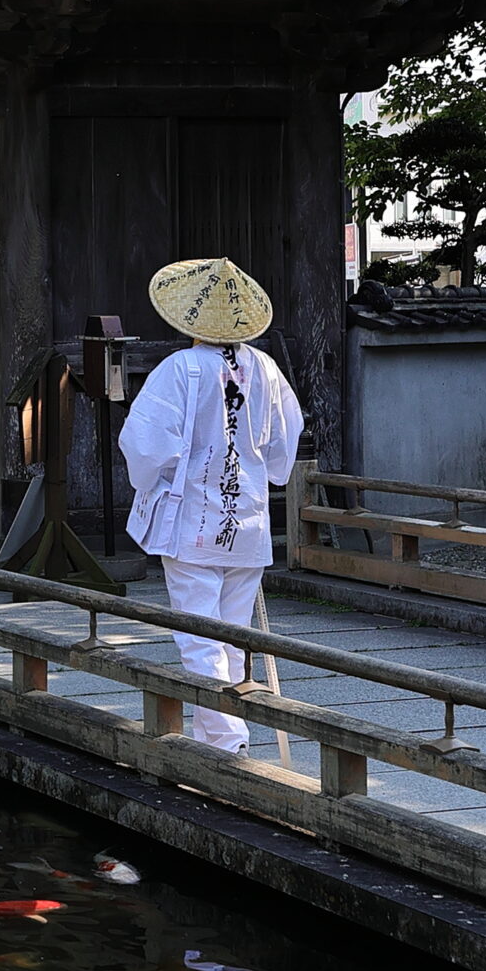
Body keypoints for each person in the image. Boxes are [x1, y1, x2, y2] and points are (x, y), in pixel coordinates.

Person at [117, 257, 304, 754]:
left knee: (199, 633)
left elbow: (146, 443)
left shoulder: (179, 368)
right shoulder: (264, 367)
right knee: (232, 633)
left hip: (192, 519)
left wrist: (151, 485)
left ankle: (224, 740)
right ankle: (224, 734)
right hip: (247, 517)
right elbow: (286, 439)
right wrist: (268, 475)